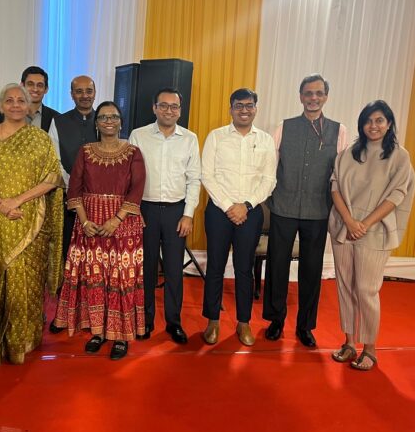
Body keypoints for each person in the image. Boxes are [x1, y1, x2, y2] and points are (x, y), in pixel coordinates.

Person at [0, 83, 65, 365]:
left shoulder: (40, 138)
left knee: (29, 276)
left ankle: (25, 337)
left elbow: (52, 179)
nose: (15, 105)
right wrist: (2, 203)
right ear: (1, 106)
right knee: (1, 275)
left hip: (30, 218)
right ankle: (1, 335)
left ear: (29, 106)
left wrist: (18, 201)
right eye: (9, 100)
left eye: (20, 100)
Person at [53, 101, 146, 360]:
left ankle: (120, 335)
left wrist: (116, 219)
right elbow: (75, 189)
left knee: (120, 280)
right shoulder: (85, 151)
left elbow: (137, 189)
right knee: (95, 279)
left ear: (120, 121)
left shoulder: (133, 152)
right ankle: (98, 331)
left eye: (113, 116)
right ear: (96, 123)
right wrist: (83, 221)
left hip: (124, 225)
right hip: (90, 226)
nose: (108, 120)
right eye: (103, 116)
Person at [329, 100, 415, 370]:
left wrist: (363, 224)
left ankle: (370, 348)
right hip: (344, 229)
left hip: (375, 231)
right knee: (345, 287)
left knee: (366, 289)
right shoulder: (348, 154)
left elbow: (396, 195)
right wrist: (349, 221)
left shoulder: (399, 156)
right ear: (361, 125)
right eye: (368, 121)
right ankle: (349, 342)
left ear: (389, 124)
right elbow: (334, 187)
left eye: (379, 120)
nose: (373, 126)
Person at [262, 74, 347, 347]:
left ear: (326, 97)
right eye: (308, 93)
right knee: (277, 266)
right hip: (283, 207)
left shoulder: (339, 130)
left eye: (319, 93)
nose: (313, 98)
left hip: (318, 210)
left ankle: (305, 325)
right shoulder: (283, 127)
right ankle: (276, 320)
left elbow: (341, 173)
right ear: (300, 96)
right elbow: (270, 166)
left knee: (311, 271)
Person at [201, 88, 277, 346]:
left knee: (245, 269)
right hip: (219, 212)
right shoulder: (217, 137)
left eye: (249, 105)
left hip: (251, 212)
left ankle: (244, 322)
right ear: (231, 108)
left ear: (256, 108)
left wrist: (246, 205)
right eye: (238, 105)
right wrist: (228, 206)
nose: (244, 110)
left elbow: (269, 180)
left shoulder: (265, 140)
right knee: (215, 266)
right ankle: (212, 320)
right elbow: (207, 175)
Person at [129, 87, 201, 344]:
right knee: (146, 269)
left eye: (174, 106)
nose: (169, 110)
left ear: (180, 111)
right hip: (145, 210)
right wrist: (134, 211)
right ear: (154, 108)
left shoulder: (190, 138)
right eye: (164, 105)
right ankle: (145, 320)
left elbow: (194, 179)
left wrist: (188, 214)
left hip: (176, 212)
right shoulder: (138, 136)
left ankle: (174, 322)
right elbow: (131, 178)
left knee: (173, 270)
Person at [47, 75, 98, 334]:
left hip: (100, 204)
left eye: (89, 90)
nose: (84, 95)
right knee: (70, 254)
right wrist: (73, 189)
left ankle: (92, 311)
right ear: (71, 94)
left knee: (96, 258)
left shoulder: (106, 119)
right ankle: (65, 312)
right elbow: (54, 160)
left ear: (95, 92)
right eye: (79, 91)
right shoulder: (58, 122)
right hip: (68, 199)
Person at [0, 66, 58, 131]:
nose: (35, 89)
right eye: (30, 84)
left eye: (40, 85)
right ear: (22, 86)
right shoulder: (4, 112)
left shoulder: (56, 117)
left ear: (46, 89)